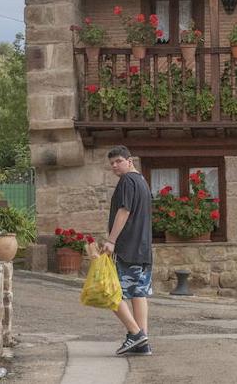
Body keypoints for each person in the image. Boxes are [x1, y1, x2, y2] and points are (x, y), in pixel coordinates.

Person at [102, 145, 154, 356]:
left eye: (118, 161)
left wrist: (111, 240)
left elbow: (124, 211)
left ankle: (135, 334)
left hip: (128, 249)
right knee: (138, 293)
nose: (115, 166)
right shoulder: (142, 181)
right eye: (112, 163)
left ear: (129, 160)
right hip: (143, 249)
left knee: (110, 293)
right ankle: (143, 343)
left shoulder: (127, 181)